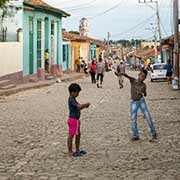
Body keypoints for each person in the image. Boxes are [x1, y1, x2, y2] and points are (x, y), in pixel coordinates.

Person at [120, 70, 157, 141]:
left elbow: (145, 94)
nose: (142, 78)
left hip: (141, 101)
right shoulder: (133, 80)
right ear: (139, 74)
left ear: (145, 78)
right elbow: (127, 76)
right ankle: (135, 135)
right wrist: (122, 73)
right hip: (133, 101)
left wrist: (142, 92)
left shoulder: (144, 85)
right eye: (141, 75)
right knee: (133, 119)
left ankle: (154, 133)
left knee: (148, 116)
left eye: (144, 77)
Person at [67, 83, 90, 157]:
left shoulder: (73, 99)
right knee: (72, 135)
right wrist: (85, 104)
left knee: (78, 134)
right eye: (77, 92)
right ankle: (71, 151)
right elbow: (79, 106)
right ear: (72, 92)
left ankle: (77, 149)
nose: (78, 94)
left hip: (74, 120)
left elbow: (78, 107)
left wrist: (84, 106)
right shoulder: (71, 100)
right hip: (74, 120)